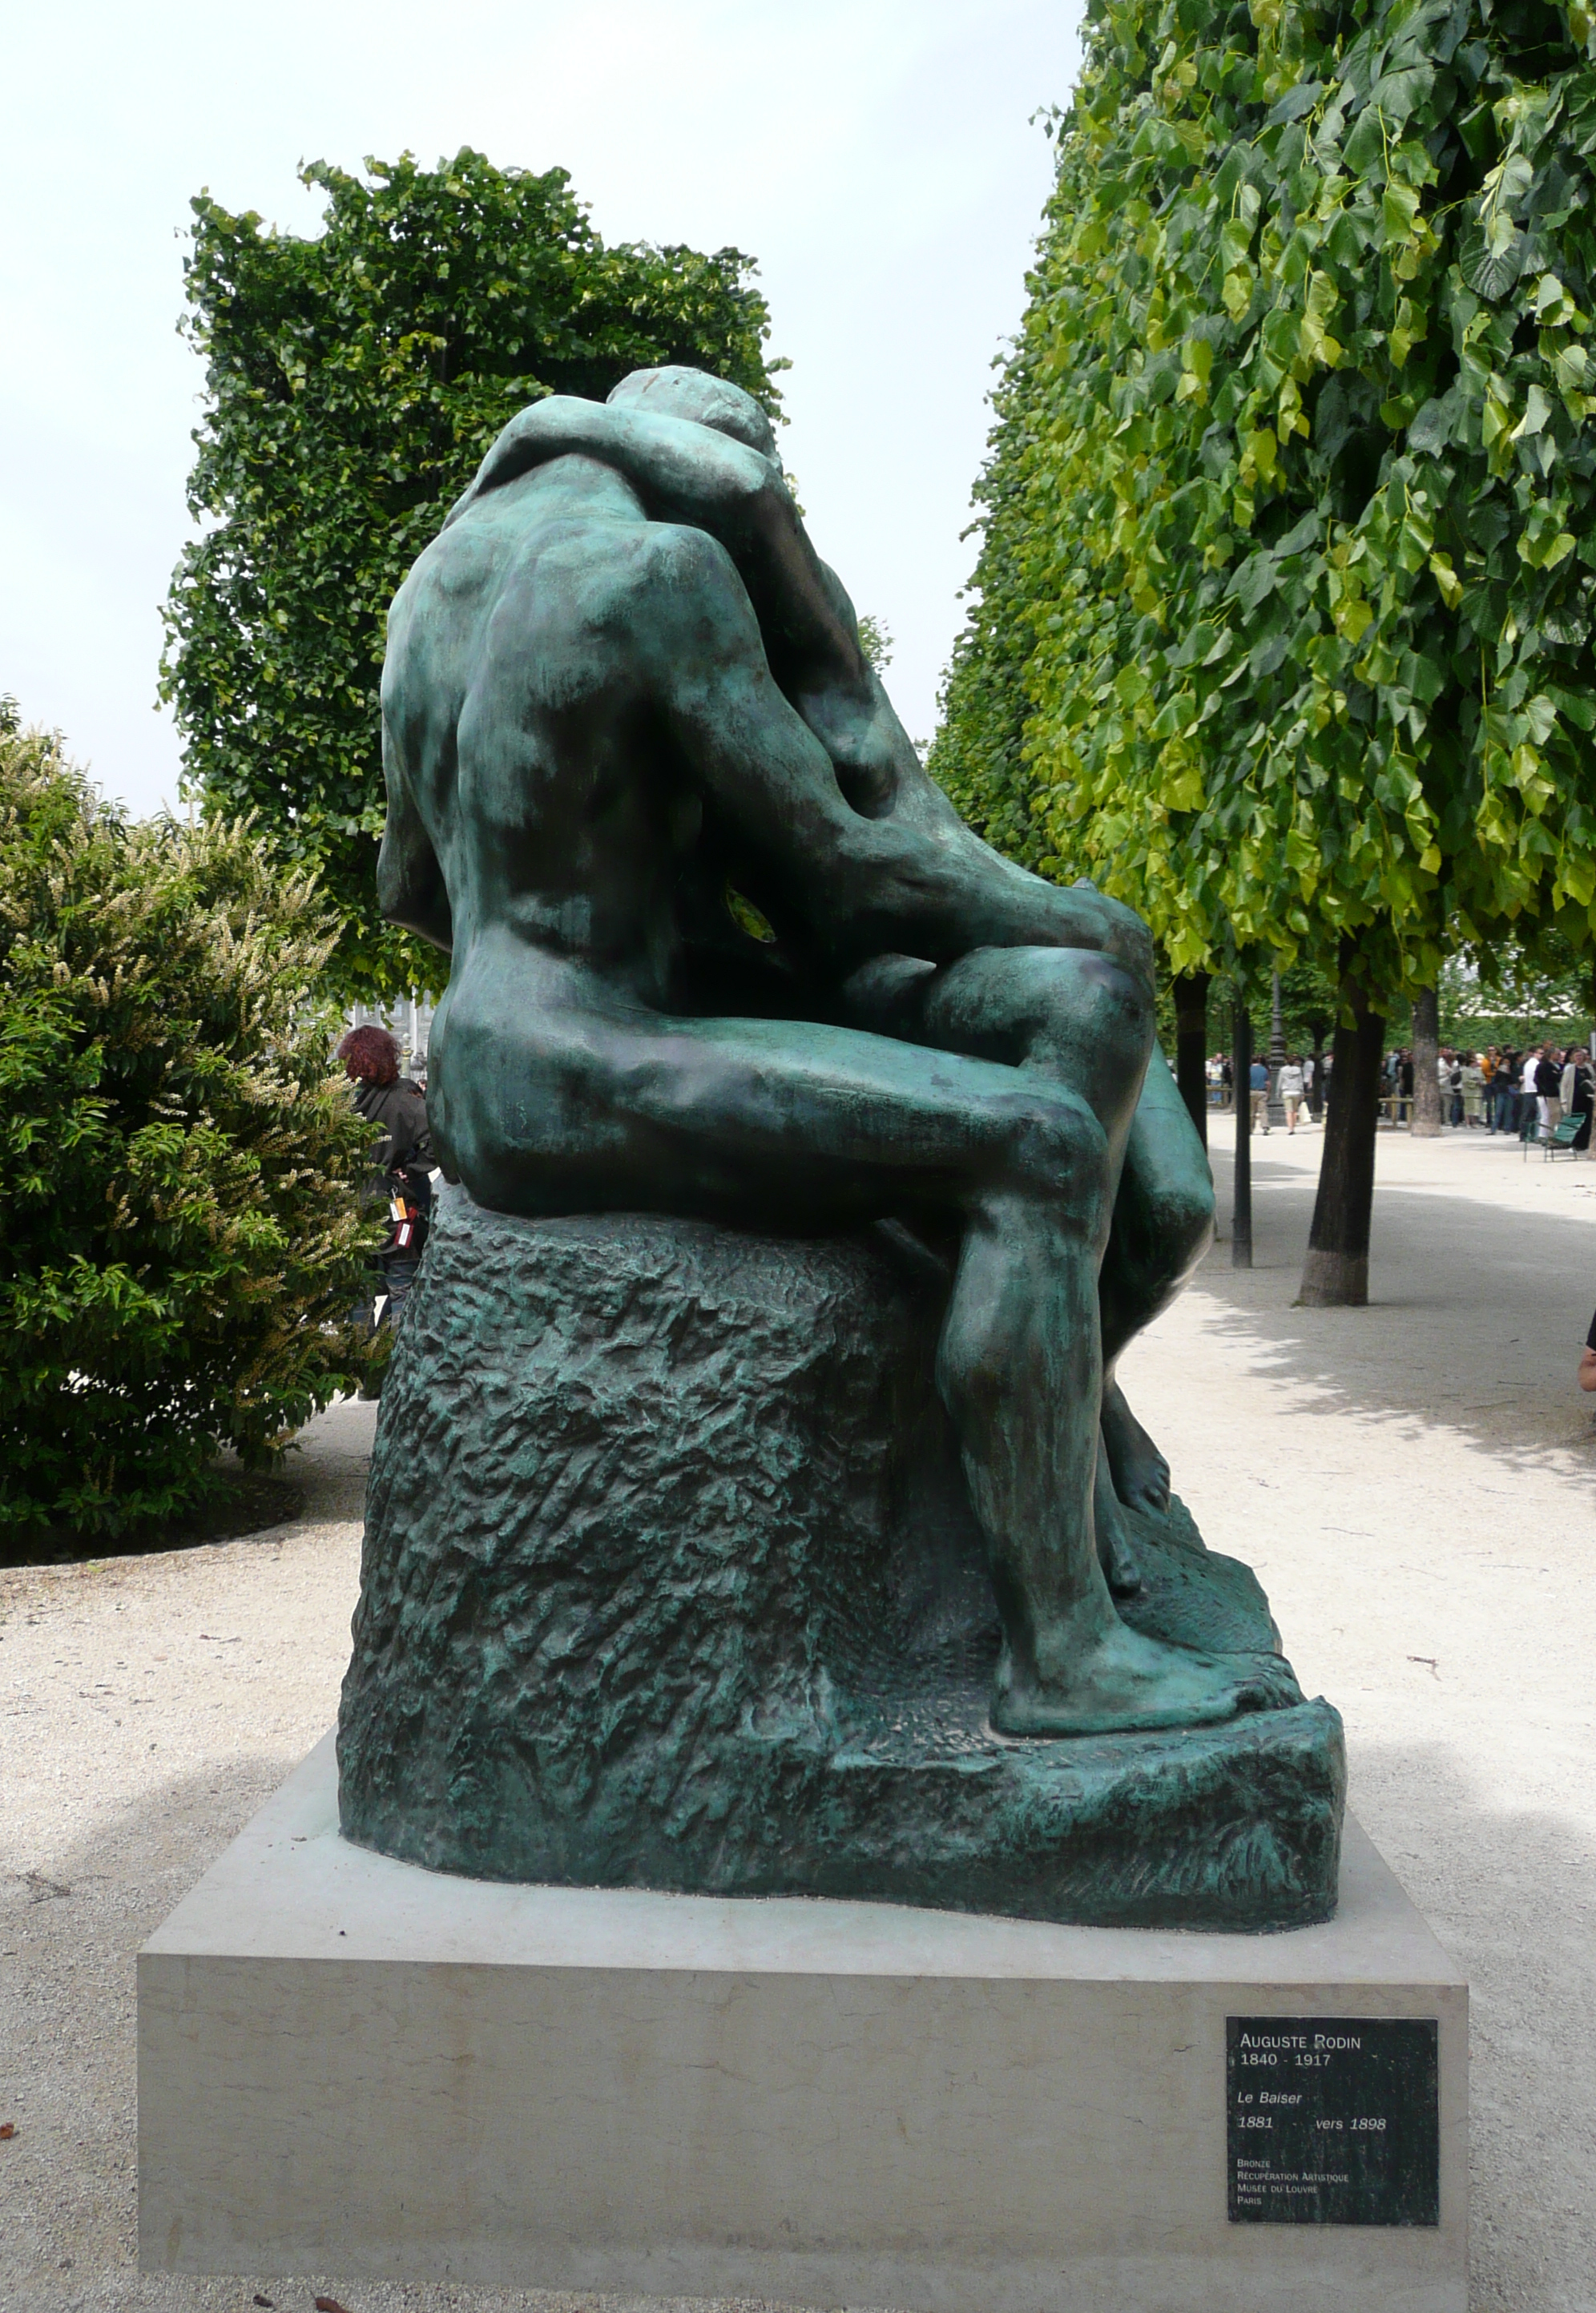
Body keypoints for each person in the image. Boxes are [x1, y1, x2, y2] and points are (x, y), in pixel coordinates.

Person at [375, 364, 1292, 1739]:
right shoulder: (665, 569)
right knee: (1031, 1151)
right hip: (578, 1058)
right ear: (730, 475)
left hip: (516, 1043)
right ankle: (1061, 1657)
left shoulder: (427, 598)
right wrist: (1090, 923)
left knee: (1016, 1078)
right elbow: (846, 879)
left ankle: (1061, 1421)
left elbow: (412, 888)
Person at [338, 1023, 435, 1328]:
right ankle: (395, 1365)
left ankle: (355, 1363)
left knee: (356, 1296)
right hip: (395, 1209)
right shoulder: (404, 1102)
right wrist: (411, 1169)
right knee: (403, 1291)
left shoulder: (335, 1102)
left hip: (346, 1208)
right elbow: (438, 1138)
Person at [1278, 1054, 1305, 1131]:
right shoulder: (1298, 1070)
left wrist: (1278, 1092)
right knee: (1295, 1110)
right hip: (1296, 1091)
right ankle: (1293, 1126)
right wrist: (1302, 1092)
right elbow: (1300, 1082)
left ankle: (1290, 1128)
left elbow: (1280, 1082)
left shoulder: (1283, 1070)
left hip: (1287, 1092)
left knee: (1288, 1111)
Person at [1249, 1053, 1271, 1134]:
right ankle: (1265, 1126)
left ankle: (1250, 1128)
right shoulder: (1264, 1070)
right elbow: (1268, 1082)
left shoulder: (1249, 1069)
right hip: (1262, 1092)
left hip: (1251, 1091)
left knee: (1251, 1112)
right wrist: (1268, 1092)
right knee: (1263, 1111)